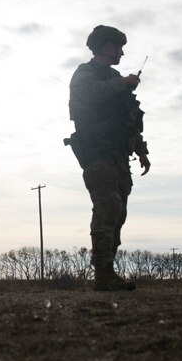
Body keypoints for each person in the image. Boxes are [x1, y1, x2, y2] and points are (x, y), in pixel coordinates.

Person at [66, 25, 151, 291]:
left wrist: (141, 150)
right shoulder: (85, 73)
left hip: (118, 156)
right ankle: (102, 274)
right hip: (97, 152)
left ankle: (108, 274)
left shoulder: (115, 78)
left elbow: (128, 121)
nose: (122, 52)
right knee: (108, 207)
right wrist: (122, 83)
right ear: (104, 45)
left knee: (119, 213)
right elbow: (89, 96)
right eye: (118, 46)